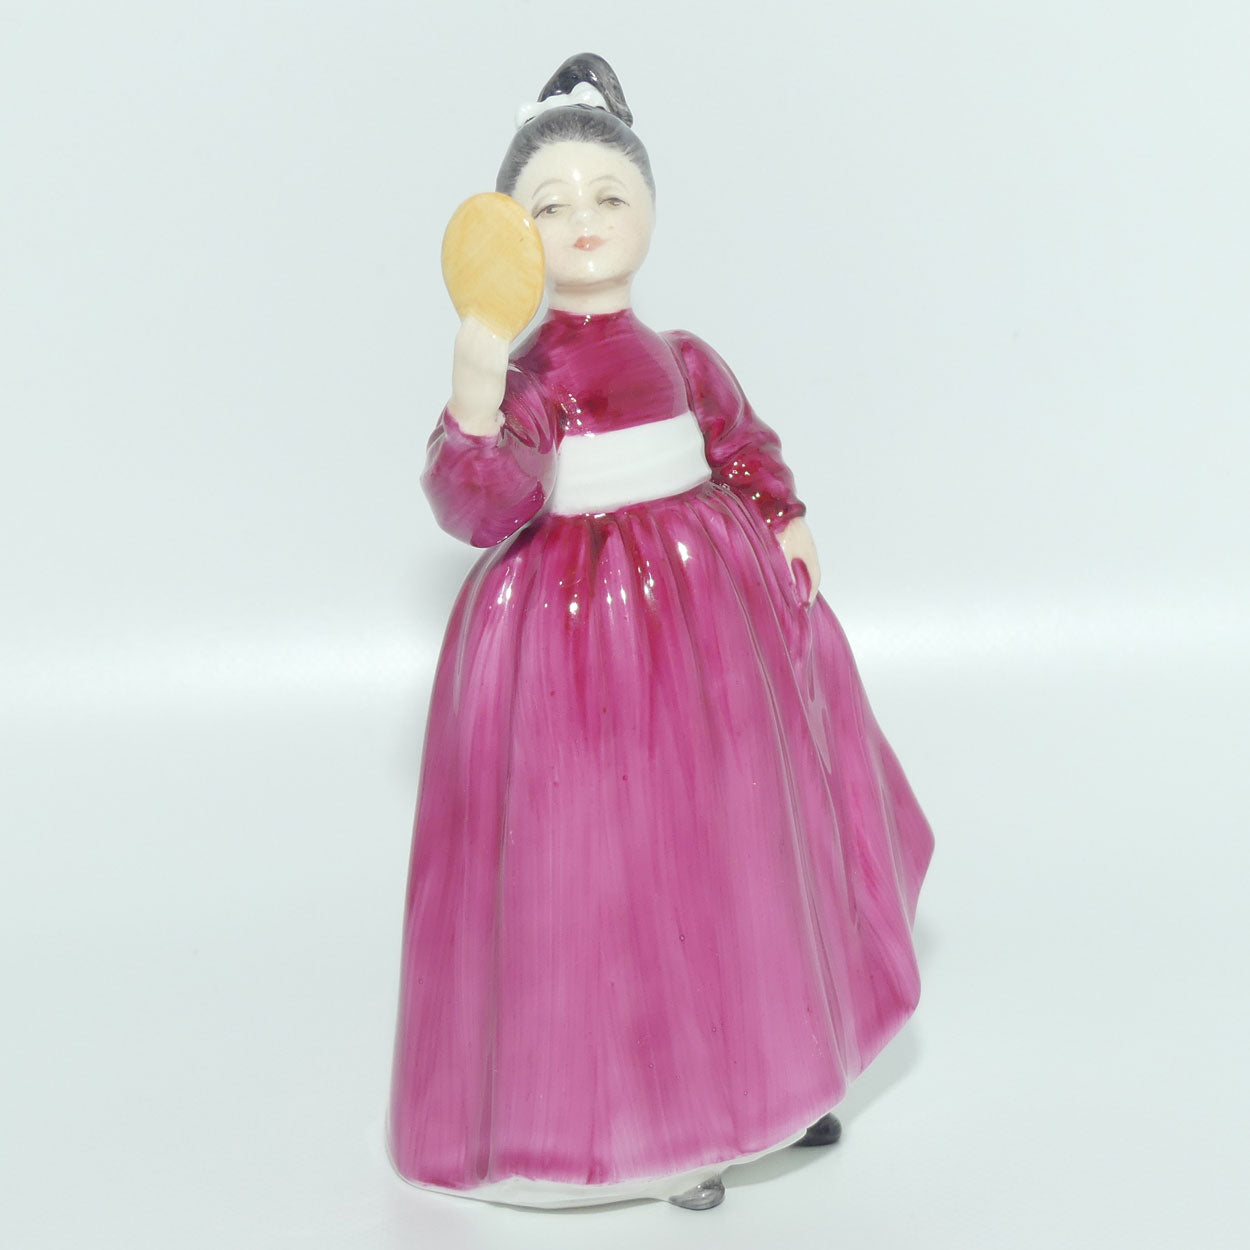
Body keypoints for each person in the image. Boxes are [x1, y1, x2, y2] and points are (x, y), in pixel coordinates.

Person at [388, 53, 933, 1211]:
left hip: (708, 618)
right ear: (513, 235)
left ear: (648, 207)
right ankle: (651, 1116)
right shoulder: (529, 377)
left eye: (607, 194)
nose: (582, 218)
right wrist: (475, 386)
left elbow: (740, 443)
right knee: (617, 872)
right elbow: (481, 500)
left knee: (738, 845)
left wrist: (780, 517)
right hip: (578, 640)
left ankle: (773, 1074)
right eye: (548, 204)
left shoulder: (681, 358)